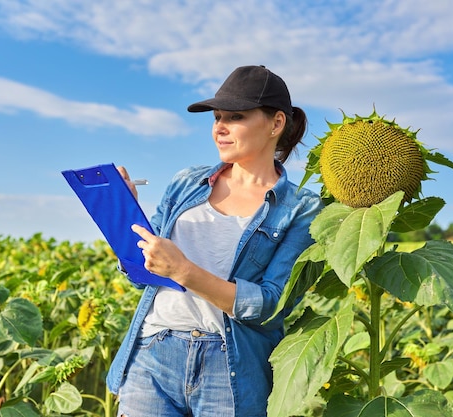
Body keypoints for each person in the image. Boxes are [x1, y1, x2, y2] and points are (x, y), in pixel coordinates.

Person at [106, 65, 323, 417]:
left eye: (235, 117)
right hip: (153, 353)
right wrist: (124, 215)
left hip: (229, 367)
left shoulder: (302, 209)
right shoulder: (186, 182)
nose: (219, 128)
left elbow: (271, 305)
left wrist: (184, 271)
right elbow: (139, 274)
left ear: (276, 123)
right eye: (217, 117)